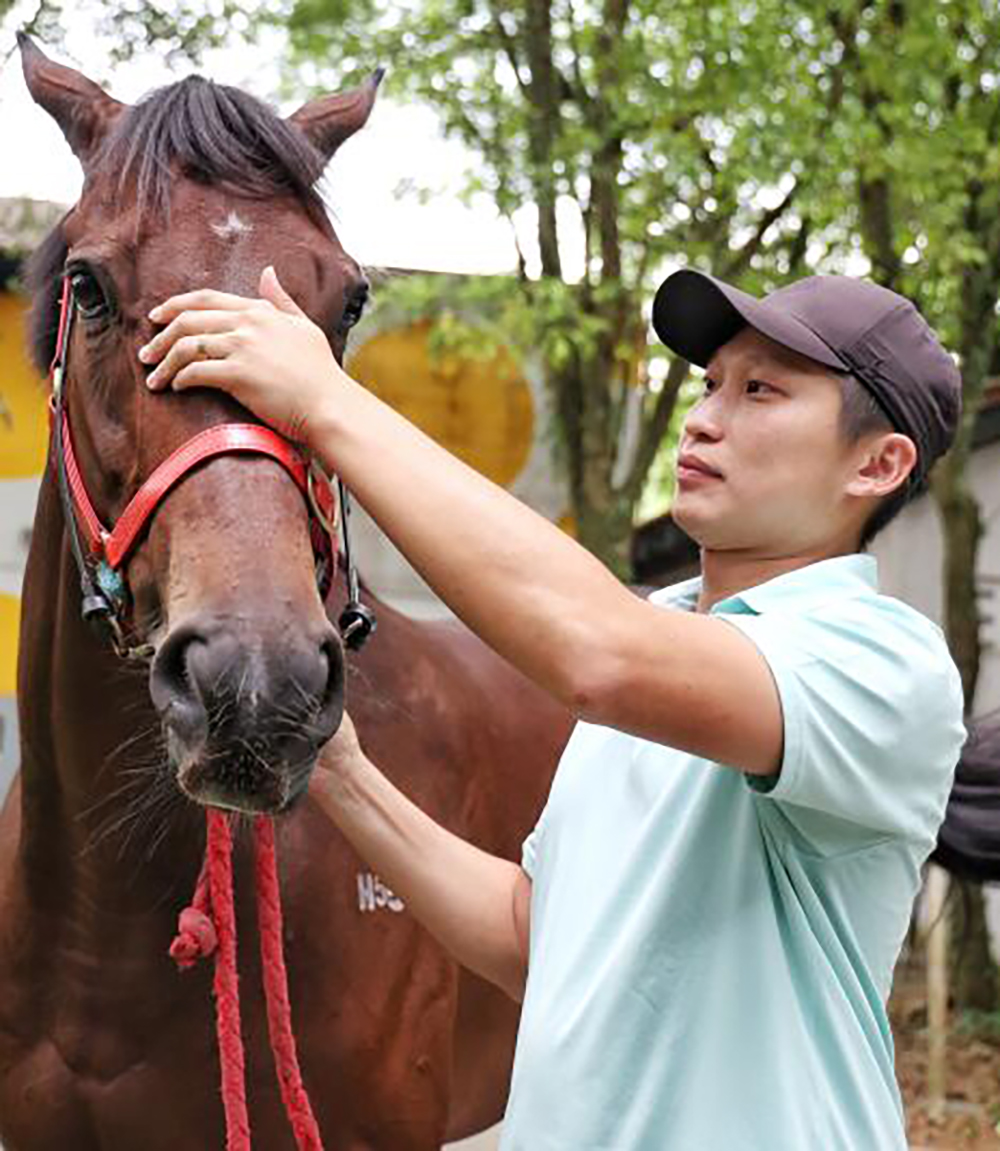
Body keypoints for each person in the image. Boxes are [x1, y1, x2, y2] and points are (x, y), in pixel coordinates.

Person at [141, 265, 967, 1149]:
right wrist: (337, 765)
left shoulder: (879, 660)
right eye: (709, 383)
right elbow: (530, 934)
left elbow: (595, 653)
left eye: (760, 390)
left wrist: (326, 405)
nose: (703, 418)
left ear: (879, 464)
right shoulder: (658, 632)